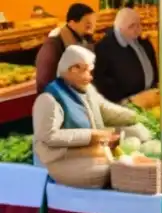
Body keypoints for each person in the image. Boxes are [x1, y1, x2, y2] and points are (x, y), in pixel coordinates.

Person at [32, 45, 151, 185]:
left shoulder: (87, 90)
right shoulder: (50, 99)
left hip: (92, 149)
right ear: (72, 69)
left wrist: (133, 116)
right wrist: (92, 136)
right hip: (64, 159)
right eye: (86, 71)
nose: (90, 76)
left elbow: (104, 109)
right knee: (106, 173)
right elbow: (48, 136)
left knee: (138, 132)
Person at [93, 8, 156, 103]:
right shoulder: (104, 47)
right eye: (131, 26)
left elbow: (153, 66)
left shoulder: (144, 42)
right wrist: (126, 100)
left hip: (149, 97)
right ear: (119, 28)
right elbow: (101, 81)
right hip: (125, 104)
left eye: (139, 25)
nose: (137, 29)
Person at [35, 3, 95, 92]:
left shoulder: (86, 41)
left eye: (92, 22)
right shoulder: (53, 45)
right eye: (87, 23)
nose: (91, 26)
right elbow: (44, 82)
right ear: (72, 22)